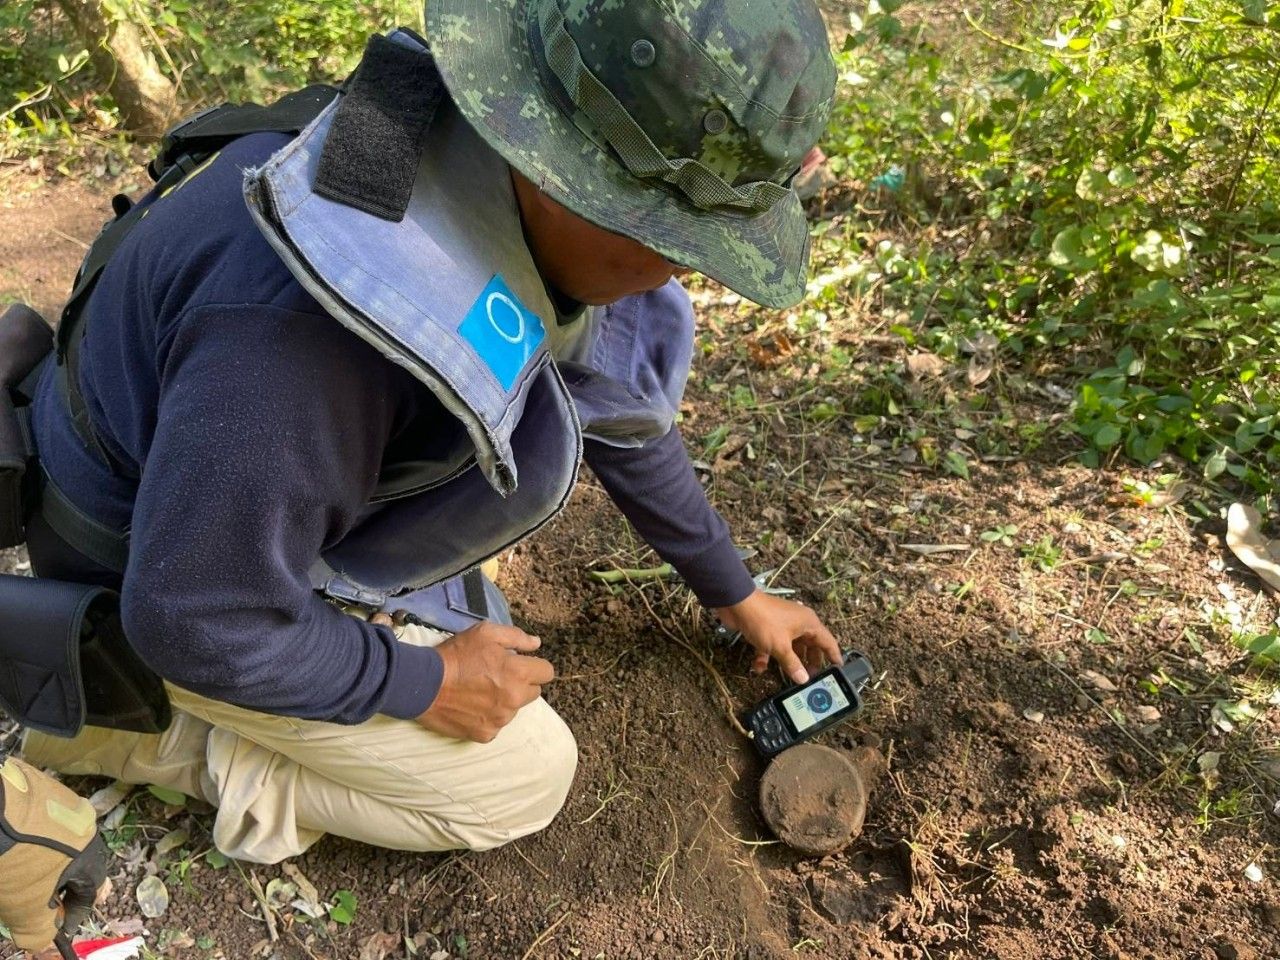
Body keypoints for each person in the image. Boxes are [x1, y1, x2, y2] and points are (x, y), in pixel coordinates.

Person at [6, 0, 837, 915]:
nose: (686, 273)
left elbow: (611, 404)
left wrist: (735, 589)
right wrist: (423, 681)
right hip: (153, 571)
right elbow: (194, 615)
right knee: (526, 776)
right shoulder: (315, 337)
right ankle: (109, 719)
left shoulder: (468, 136)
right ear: (587, 192)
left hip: (220, 482)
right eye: (683, 245)